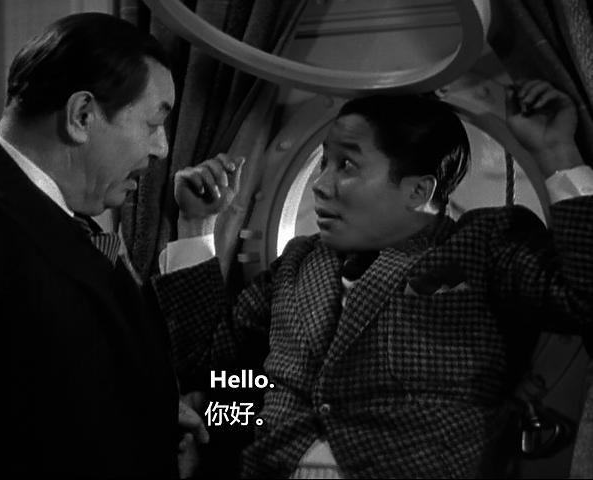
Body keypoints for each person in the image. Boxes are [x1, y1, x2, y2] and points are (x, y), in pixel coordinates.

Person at [152, 80, 593, 477]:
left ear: (418, 191)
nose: (320, 185)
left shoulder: (482, 245)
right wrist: (197, 225)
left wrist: (556, 153)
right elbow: (204, 360)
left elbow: (583, 301)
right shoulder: (299, 262)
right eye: (324, 163)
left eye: (346, 165)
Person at [0, 13, 207, 477]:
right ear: (81, 116)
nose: (161, 148)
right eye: (154, 123)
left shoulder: (53, 214)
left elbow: (32, 385)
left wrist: (146, 410)